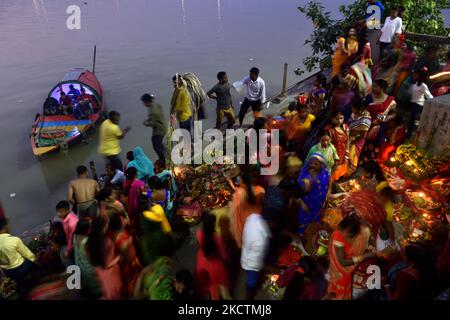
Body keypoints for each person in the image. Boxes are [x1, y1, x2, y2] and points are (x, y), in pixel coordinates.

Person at [328, 213, 376, 300]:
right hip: (339, 273)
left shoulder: (360, 231)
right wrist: (364, 256)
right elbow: (342, 262)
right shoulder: (339, 236)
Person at [86, 215, 123, 300]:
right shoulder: (106, 242)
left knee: (107, 289)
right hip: (110, 270)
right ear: (102, 227)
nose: (108, 226)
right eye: (106, 224)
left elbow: (90, 259)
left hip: (100, 271)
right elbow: (109, 260)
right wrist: (118, 258)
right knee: (115, 291)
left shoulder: (90, 241)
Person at [194, 213, 230, 300]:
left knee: (208, 287)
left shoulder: (199, 233)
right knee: (218, 289)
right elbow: (223, 255)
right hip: (215, 267)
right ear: (213, 224)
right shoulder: (217, 238)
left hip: (202, 263)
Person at [108, 208, 142, 298]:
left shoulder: (109, 233)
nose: (124, 219)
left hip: (120, 268)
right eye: (122, 218)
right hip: (126, 269)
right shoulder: (123, 239)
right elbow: (129, 256)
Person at [0, 217, 37, 297]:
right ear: (6, 226)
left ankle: (23, 289)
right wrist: (35, 261)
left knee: (20, 281)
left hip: (8, 272)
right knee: (34, 263)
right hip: (22, 268)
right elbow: (29, 255)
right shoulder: (14, 240)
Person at [229, 168, 265, 248]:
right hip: (255, 222)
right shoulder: (261, 190)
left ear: (242, 180)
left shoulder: (239, 192)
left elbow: (235, 213)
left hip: (244, 224)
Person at [296, 153, 330, 234]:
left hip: (318, 205)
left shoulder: (325, 172)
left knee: (314, 223)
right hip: (306, 206)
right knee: (303, 223)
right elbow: (296, 192)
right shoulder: (304, 175)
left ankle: (311, 234)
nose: (313, 165)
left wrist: (327, 195)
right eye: (311, 162)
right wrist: (302, 203)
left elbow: (329, 183)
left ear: (321, 164)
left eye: (316, 164)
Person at [241, 212, 271, 300]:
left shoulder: (253, 217)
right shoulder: (260, 241)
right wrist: (273, 269)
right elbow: (256, 264)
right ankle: (248, 297)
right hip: (251, 265)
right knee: (252, 282)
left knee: (251, 277)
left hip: (246, 255)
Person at [138, 195, 173, 266]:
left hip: (153, 244)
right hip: (166, 232)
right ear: (149, 203)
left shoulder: (143, 216)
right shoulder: (158, 208)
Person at [73, 218, 101, 298]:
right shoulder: (86, 242)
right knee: (97, 290)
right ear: (87, 230)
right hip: (90, 270)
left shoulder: (75, 236)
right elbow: (91, 260)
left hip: (82, 267)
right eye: (91, 226)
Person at [347, 97, 372, 175]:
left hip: (356, 140)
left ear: (358, 108)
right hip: (349, 136)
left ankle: (347, 172)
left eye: (353, 107)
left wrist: (350, 143)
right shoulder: (356, 113)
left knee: (350, 157)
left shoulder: (365, 121)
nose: (351, 109)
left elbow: (362, 136)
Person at [407, 67, 433, 139]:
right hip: (412, 103)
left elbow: (429, 96)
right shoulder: (415, 84)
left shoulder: (423, 86)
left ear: (419, 76)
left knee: (412, 121)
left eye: (415, 75)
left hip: (418, 105)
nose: (414, 76)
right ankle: (408, 134)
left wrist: (433, 102)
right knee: (410, 120)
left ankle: (409, 136)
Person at [141, 94, 167, 163]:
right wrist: (149, 119)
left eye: (143, 102)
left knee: (156, 146)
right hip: (163, 127)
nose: (143, 104)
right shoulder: (155, 105)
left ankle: (164, 160)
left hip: (158, 131)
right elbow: (155, 116)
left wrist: (146, 123)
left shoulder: (153, 111)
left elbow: (153, 123)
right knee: (159, 144)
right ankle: (167, 154)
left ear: (146, 102)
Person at [325, 112, 350, 181]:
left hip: (342, 154)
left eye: (341, 118)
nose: (339, 121)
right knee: (329, 173)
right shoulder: (329, 130)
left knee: (338, 172)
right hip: (332, 156)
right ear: (332, 119)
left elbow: (348, 141)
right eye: (337, 119)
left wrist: (346, 154)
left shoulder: (345, 127)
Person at [56, 201, 79, 266]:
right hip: (72, 242)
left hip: (75, 244)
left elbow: (71, 238)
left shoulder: (71, 223)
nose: (58, 214)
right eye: (57, 212)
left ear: (67, 211)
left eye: (60, 212)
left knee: (63, 254)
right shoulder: (67, 217)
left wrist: (68, 251)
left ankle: (72, 271)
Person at [123, 167, 145, 234]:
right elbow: (145, 193)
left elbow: (125, 193)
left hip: (130, 206)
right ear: (135, 175)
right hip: (139, 206)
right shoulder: (140, 184)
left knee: (135, 223)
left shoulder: (125, 183)